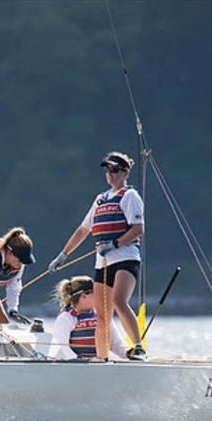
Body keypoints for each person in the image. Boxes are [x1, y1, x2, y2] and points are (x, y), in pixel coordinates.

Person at [47, 151, 146, 361]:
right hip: (103, 262)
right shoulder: (100, 199)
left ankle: (138, 346)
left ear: (125, 172)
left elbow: (138, 229)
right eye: (107, 170)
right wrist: (63, 254)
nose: (109, 174)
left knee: (119, 301)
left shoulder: (129, 196)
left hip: (125, 257)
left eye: (114, 170)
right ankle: (102, 360)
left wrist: (115, 243)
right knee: (102, 315)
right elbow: (83, 230)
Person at [50, 275, 130, 360]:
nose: (101, 296)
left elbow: (116, 345)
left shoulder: (102, 316)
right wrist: (80, 360)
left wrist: (129, 353)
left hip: (97, 366)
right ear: (84, 296)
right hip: (76, 368)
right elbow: (61, 347)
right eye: (97, 293)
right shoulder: (66, 318)